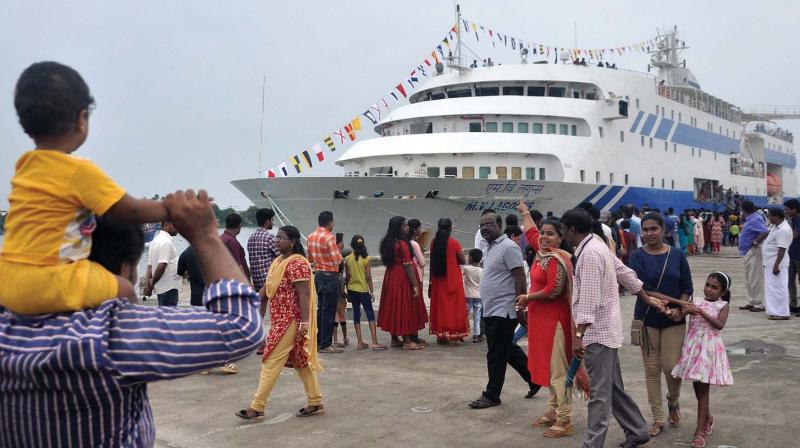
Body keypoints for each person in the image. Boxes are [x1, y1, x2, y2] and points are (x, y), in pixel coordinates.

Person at [0, 189, 264, 446]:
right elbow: (242, 326)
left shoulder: (7, 326)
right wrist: (205, 235)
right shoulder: (109, 337)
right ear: (126, 268)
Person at [0, 61, 168, 315]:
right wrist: (172, 208)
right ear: (81, 120)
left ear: (25, 124)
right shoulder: (77, 170)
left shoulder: (25, 168)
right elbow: (130, 211)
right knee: (123, 288)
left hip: (9, 281)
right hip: (51, 279)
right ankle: (135, 338)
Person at [562, 208, 667, 448]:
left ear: (571, 230)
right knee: (612, 388)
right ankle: (638, 431)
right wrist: (646, 296)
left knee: (599, 394)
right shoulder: (598, 245)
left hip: (597, 333)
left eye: (562, 231)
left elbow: (588, 302)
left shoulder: (589, 254)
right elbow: (625, 273)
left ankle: (593, 444)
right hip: (607, 331)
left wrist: (578, 336)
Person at [516, 203, 590, 439]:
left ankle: (564, 418)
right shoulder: (543, 250)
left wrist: (528, 297)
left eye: (550, 234)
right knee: (548, 368)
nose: (544, 237)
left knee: (558, 371)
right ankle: (552, 410)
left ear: (561, 238)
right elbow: (530, 232)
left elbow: (554, 289)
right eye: (543, 232)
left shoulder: (558, 259)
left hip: (555, 322)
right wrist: (525, 212)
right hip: (541, 321)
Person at [237, 225, 324, 420]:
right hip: (279, 319)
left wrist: (304, 323)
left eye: (281, 238)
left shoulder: (297, 264)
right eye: (276, 237)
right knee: (301, 362)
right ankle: (315, 400)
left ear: (292, 242)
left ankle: (257, 406)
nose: (277, 240)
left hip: (291, 320)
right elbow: (268, 288)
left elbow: (304, 294)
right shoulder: (278, 261)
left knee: (270, 359)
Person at [629, 213, 693, 437]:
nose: (648, 233)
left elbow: (687, 285)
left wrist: (680, 308)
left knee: (671, 367)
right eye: (645, 230)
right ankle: (657, 417)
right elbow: (641, 287)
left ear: (663, 230)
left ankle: (673, 401)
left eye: (653, 229)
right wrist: (666, 305)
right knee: (652, 369)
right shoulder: (636, 256)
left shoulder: (677, 255)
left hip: (673, 319)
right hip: (647, 318)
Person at [468, 211, 540, 409]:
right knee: (507, 349)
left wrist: (520, 307)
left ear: (499, 225)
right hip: (492, 308)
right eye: (482, 225)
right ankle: (534, 378)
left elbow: (519, 276)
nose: (484, 228)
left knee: (496, 354)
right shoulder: (490, 248)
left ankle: (492, 395)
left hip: (504, 309)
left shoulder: (508, 247)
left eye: (489, 224)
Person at [669, 272, 734, 448]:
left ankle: (699, 432)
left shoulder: (723, 305)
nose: (709, 289)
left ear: (723, 291)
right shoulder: (694, 301)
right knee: (697, 387)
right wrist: (671, 310)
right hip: (692, 349)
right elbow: (679, 316)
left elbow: (719, 325)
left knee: (703, 390)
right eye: (707, 285)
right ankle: (708, 418)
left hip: (709, 350)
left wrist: (700, 311)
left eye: (714, 287)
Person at [376, 216, 428, 350]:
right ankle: (407, 340)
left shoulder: (387, 242)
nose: (407, 228)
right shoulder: (402, 244)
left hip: (391, 275)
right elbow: (408, 264)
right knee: (404, 305)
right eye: (405, 226)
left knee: (393, 304)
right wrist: (415, 284)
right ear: (398, 229)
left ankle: (394, 338)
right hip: (402, 277)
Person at [307, 211, 344, 353]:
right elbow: (337, 260)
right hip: (330, 276)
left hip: (319, 276)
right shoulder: (329, 238)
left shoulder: (311, 236)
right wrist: (339, 250)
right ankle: (325, 344)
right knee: (329, 310)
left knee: (321, 309)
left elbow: (310, 258)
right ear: (330, 222)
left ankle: (318, 340)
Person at [429, 218, 469, 344]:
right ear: (450, 228)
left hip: (438, 280)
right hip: (452, 279)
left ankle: (441, 335)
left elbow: (432, 262)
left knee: (441, 307)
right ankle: (454, 334)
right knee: (454, 307)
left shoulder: (434, 242)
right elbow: (462, 260)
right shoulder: (454, 243)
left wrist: (430, 283)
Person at [248, 208, 279, 318]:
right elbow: (281, 256)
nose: (273, 222)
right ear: (267, 221)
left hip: (256, 280)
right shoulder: (270, 237)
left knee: (260, 309)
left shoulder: (251, 238)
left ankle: (258, 330)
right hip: (268, 280)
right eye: (272, 220)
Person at [762, 207, 793, 320]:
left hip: (777, 264)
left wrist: (776, 265)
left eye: (770, 215)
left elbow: (782, 249)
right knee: (772, 288)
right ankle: (775, 311)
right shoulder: (775, 227)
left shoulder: (783, 229)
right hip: (770, 262)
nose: (769, 218)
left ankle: (782, 313)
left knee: (779, 288)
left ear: (776, 216)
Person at [738, 201, 768, 312]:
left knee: (755, 278)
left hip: (753, 251)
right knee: (748, 278)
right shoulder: (751, 219)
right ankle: (751, 301)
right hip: (747, 251)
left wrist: (756, 241)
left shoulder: (755, 219)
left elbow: (765, 231)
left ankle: (759, 303)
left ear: (744, 210)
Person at [145, 220, 181, 306]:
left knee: (164, 314)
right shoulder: (166, 242)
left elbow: (150, 267)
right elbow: (162, 265)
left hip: (161, 288)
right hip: (169, 288)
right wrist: (152, 283)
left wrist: (148, 286)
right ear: (166, 225)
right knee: (170, 316)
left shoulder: (154, 241)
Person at [407, 218, 429, 347]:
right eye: (419, 228)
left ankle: (409, 335)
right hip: (417, 277)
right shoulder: (414, 244)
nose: (421, 230)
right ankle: (414, 336)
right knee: (416, 308)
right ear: (415, 229)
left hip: (408, 278)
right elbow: (422, 263)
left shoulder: (404, 242)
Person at [463, 249, 484, 343]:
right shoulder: (482, 271)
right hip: (479, 296)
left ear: (470, 258)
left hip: (468, 295)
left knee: (465, 315)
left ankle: (462, 333)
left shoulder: (466, 269)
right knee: (477, 316)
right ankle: (476, 335)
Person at [221, 212, 250, 280]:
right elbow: (238, 266)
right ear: (239, 226)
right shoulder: (232, 242)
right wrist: (247, 285)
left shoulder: (221, 238)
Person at [783, 199, 800, 314]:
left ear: (794, 209)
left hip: (798, 255)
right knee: (790, 281)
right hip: (791, 254)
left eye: (787, 209)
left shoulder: (798, 220)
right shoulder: (792, 220)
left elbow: (793, 236)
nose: (785, 212)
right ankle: (793, 304)